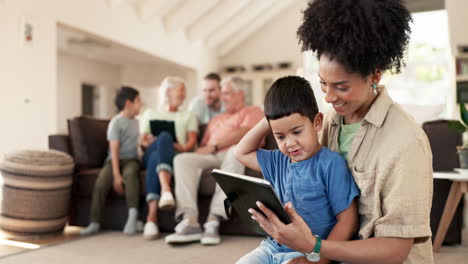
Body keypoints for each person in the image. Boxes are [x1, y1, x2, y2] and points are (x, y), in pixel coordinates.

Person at [248, 1, 434, 263]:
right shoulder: (332, 121)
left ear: (375, 76)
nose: (329, 96)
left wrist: (315, 249)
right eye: (323, 84)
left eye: (341, 86)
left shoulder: (406, 141)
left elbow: (396, 250)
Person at [234, 76, 360, 264]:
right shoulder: (278, 160)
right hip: (272, 248)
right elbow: (241, 152)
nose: (290, 143)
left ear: (317, 122)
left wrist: (320, 259)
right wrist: (269, 118)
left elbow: (348, 220)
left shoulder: (331, 164)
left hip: (311, 252)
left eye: (296, 132)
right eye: (280, 136)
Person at [165, 77, 264, 246]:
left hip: (234, 155)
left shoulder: (253, 111)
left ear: (240, 94)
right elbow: (203, 147)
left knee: (236, 151)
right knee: (182, 160)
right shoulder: (216, 120)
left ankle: (213, 220)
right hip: (213, 157)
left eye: (226, 93)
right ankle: (190, 221)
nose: (222, 97)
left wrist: (216, 145)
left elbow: (247, 133)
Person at [139, 76, 198, 240]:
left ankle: (151, 218)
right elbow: (142, 143)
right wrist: (150, 141)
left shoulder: (188, 115)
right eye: (181, 90)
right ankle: (166, 190)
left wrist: (180, 146)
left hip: (175, 155)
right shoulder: (150, 113)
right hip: (151, 151)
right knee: (161, 140)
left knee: (160, 149)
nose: (184, 95)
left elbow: (191, 144)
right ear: (168, 91)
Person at [80, 86, 142, 236]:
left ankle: (133, 217)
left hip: (131, 160)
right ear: (129, 103)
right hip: (114, 160)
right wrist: (115, 174)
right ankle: (94, 222)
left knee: (131, 175)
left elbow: (139, 144)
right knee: (101, 183)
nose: (141, 104)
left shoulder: (139, 123)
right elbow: (114, 149)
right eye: (139, 101)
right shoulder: (116, 122)